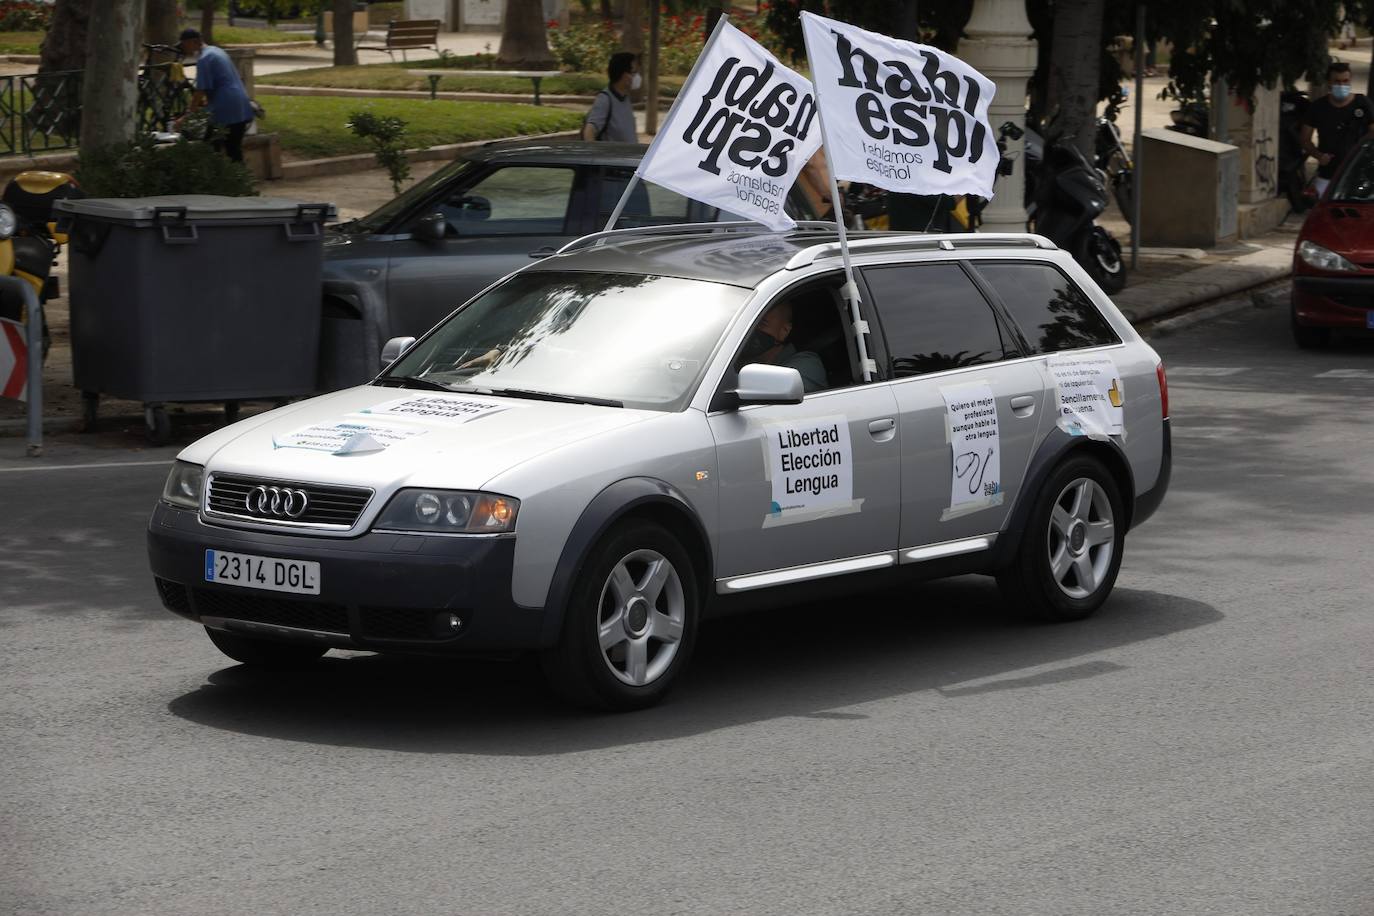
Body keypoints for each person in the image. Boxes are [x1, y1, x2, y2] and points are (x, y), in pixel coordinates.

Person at [177, 28, 255, 163]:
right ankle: (239, 182)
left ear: (192, 42)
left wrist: (187, 116)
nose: (183, 48)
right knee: (233, 149)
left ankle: (216, 181)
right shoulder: (217, 51)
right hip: (240, 104)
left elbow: (200, 90)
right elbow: (219, 82)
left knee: (210, 149)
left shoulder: (204, 59)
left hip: (225, 109)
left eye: (184, 44)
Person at [1300, 61, 1374, 196]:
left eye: (1345, 81)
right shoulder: (1318, 107)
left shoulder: (1363, 104)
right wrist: (1318, 155)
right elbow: (1305, 139)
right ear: (1329, 82)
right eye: (1337, 81)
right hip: (1327, 174)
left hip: (1357, 174)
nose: (1342, 85)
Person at [738, 301, 827, 393]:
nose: (751, 330)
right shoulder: (736, 358)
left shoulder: (807, 365)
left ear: (784, 331)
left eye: (762, 324)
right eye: (748, 324)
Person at [582, 51, 639, 143]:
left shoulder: (625, 98)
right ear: (623, 75)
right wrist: (593, 155)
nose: (637, 76)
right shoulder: (605, 100)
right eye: (633, 72)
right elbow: (589, 131)